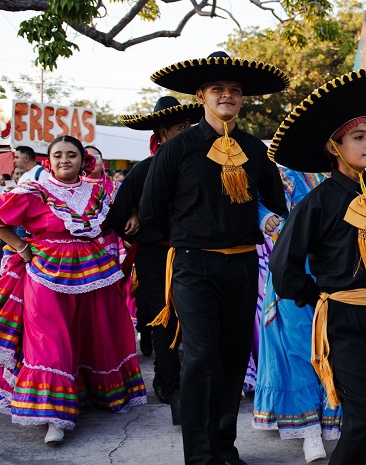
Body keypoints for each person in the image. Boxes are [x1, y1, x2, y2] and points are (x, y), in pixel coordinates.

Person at [268, 67, 366, 465]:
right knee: (364, 418)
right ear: (334, 147)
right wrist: (318, 295)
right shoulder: (315, 203)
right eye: (359, 138)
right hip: (340, 317)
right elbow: (283, 266)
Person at [140, 51, 289, 465]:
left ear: (242, 100)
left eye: (236, 91)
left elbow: (274, 203)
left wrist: (269, 222)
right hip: (193, 265)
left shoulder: (255, 150)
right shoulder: (179, 148)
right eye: (218, 89)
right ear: (201, 95)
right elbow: (151, 213)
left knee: (234, 356)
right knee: (202, 356)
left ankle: (225, 447)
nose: (228, 96)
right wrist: (190, 238)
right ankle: (201, 457)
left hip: (242, 265)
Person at [0, 135, 147, 445]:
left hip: (94, 272)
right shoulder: (34, 191)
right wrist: (21, 247)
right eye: (58, 155)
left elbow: (113, 223)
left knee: (95, 333)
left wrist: (131, 216)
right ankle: (54, 416)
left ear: (84, 161)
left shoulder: (97, 193)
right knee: (51, 341)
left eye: (72, 155)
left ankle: (84, 393)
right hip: (44, 273)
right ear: (48, 161)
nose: (64, 159)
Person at [109, 96, 203, 425]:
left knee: (196, 318)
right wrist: (136, 224)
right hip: (154, 253)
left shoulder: (204, 167)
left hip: (195, 253)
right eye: (180, 128)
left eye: (189, 127)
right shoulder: (143, 170)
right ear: (162, 132)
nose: (187, 133)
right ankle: (168, 383)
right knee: (164, 319)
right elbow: (117, 216)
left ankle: (197, 382)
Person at [253, 168, 343, 463]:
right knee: (300, 347)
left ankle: (338, 422)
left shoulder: (346, 172)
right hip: (294, 267)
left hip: (339, 268)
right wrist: (265, 217)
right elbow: (252, 199)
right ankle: (310, 431)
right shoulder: (283, 174)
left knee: (336, 345)